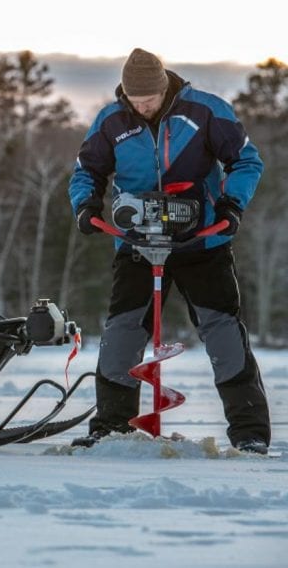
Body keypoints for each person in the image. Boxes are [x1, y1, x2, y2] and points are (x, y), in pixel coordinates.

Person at [69, 48, 271, 454]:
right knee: (122, 332)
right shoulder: (112, 120)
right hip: (137, 243)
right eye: (134, 99)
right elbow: (86, 170)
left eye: (149, 99)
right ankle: (111, 427)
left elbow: (246, 161)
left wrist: (232, 206)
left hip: (202, 242)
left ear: (165, 89)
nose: (142, 107)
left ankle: (250, 433)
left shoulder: (206, 112)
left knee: (224, 333)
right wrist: (85, 206)